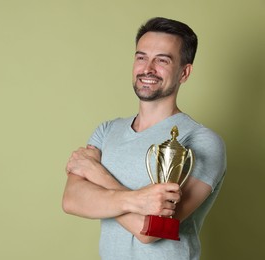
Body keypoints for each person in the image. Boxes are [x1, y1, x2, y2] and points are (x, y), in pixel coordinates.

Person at [62, 17, 226, 260]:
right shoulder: (107, 131)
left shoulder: (202, 141)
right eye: (141, 57)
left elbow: (151, 232)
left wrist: (97, 175)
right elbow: (72, 200)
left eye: (162, 60)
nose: (147, 68)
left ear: (184, 72)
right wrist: (139, 200)